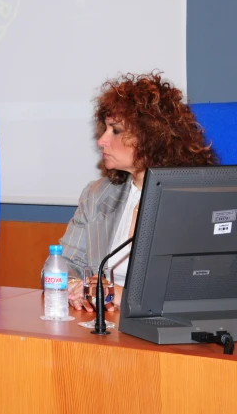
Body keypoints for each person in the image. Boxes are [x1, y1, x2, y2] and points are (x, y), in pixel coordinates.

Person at [61, 72, 217, 311]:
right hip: (102, 324)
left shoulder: (194, 201)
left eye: (116, 130)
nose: (102, 140)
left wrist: (120, 295)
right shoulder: (97, 195)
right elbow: (61, 263)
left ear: (151, 137)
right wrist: (75, 286)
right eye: (105, 129)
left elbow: (201, 285)